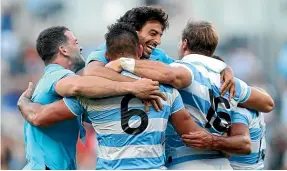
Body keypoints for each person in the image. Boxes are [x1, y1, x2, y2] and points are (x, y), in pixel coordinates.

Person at [18, 22, 213, 170]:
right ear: (139, 50)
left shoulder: (90, 95)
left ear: (108, 57)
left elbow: (41, 115)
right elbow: (192, 134)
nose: (81, 47)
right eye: (76, 43)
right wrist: (227, 142)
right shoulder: (164, 90)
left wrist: (25, 103)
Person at [106, 20, 274, 169]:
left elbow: (170, 75)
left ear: (184, 44)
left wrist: (123, 62)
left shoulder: (186, 70)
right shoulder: (229, 81)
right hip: (222, 164)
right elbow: (267, 104)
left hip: (187, 162)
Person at [83, 6, 235, 96]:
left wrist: (222, 67)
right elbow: (91, 72)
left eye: (160, 35)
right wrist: (134, 86)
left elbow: (190, 70)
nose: (158, 41)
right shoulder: (110, 48)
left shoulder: (159, 55)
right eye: (153, 33)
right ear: (134, 31)